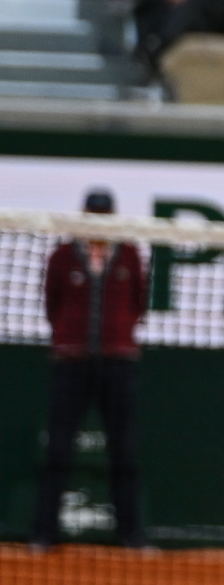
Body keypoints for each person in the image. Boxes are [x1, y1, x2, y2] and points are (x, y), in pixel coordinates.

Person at [36, 190, 145, 548]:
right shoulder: (63, 256)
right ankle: (44, 534)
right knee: (58, 451)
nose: (98, 221)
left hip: (118, 363)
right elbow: (52, 303)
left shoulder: (129, 254)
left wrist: (117, 338)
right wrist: (71, 342)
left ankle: (129, 535)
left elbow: (138, 303)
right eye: (92, 214)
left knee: (125, 452)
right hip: (72, 364)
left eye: (103, 214)